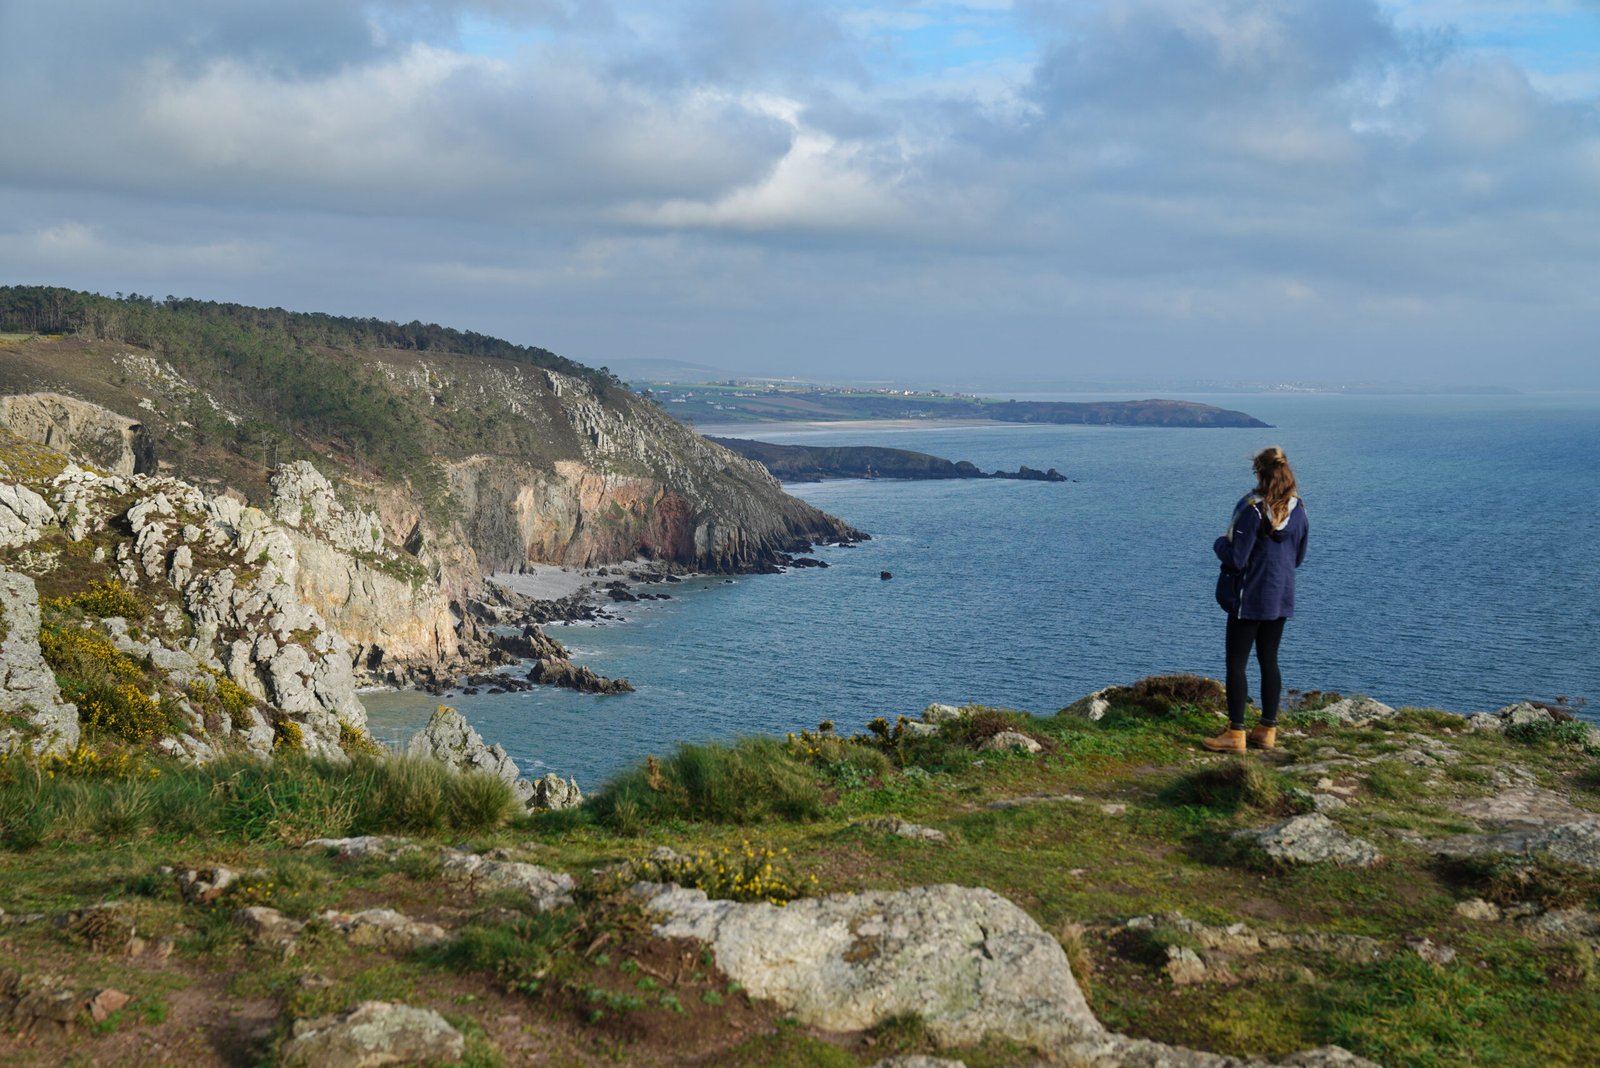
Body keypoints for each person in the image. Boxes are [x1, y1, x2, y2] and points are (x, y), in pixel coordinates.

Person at [1204, 446, 1309, 753]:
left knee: (1236, 664)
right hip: (1279, 597)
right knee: (1269, 661)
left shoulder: (1251, 510)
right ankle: (1267, 729)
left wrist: (1219, 544)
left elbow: (1237, 558)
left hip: (1247, 598)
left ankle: (1236, 733)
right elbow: (1298, 557)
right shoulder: (1299, 509)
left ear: (1260, 473)